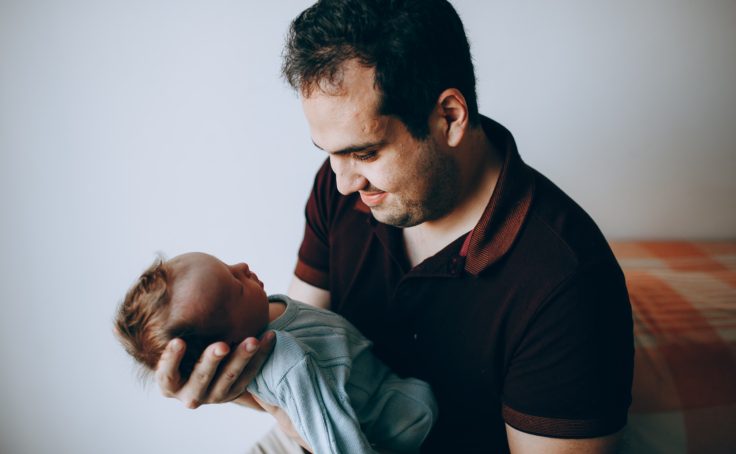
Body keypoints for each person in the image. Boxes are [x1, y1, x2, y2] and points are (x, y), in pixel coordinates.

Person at [154, 1, 635, 452]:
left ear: (449, 117)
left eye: (364, 152)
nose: (342, 183)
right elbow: (292, 336)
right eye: (330, 154)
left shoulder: (566, 283)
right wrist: (232, 380)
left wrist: (296, 422)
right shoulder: (345, 189)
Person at [114, 252, 438, 454]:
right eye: (236, 283)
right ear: (227, 346)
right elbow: (330, 432)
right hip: (400, 422)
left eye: (227, 263)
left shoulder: (264, 313)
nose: (242, 265)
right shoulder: (287, 361)